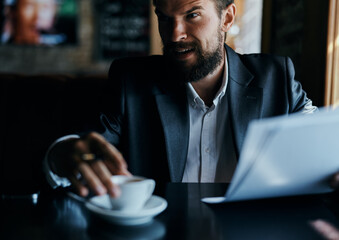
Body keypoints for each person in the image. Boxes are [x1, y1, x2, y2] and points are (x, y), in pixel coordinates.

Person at [44, 0, 338, 199]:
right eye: (164, 17)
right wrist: (63, 156)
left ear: (227, 17)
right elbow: (84, 145)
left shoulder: (276, 76)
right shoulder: (131, 80)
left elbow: (320, 142)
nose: (174, 34)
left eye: (192, 14)